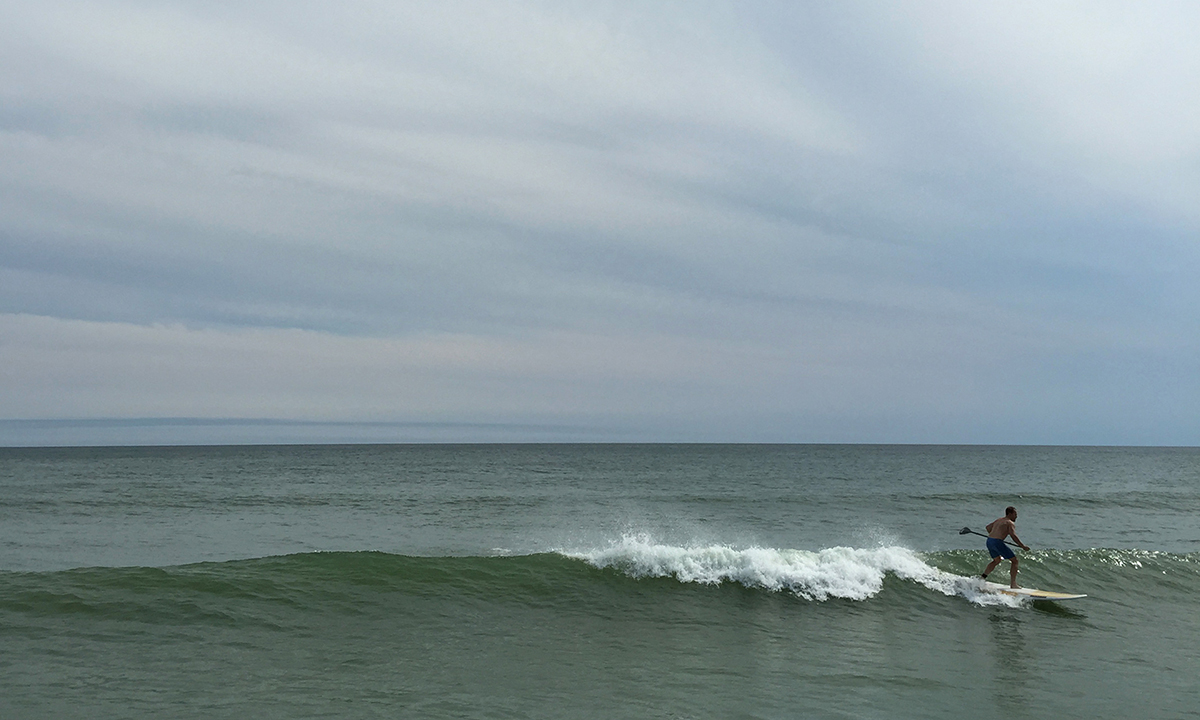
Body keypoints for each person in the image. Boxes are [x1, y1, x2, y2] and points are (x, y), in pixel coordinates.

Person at [980, 506, 1030, 588]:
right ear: (1010, 514)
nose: (1016, 516)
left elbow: (988, 527)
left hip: (989, 541)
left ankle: (982, 578)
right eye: (1015, 514)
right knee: (1015, 561)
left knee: (996, 560)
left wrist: (995, 534)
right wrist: (1023, 546)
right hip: (997, 542)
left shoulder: (999, 520)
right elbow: (1013, 536)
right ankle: (1013, 584)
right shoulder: (1009, 523)